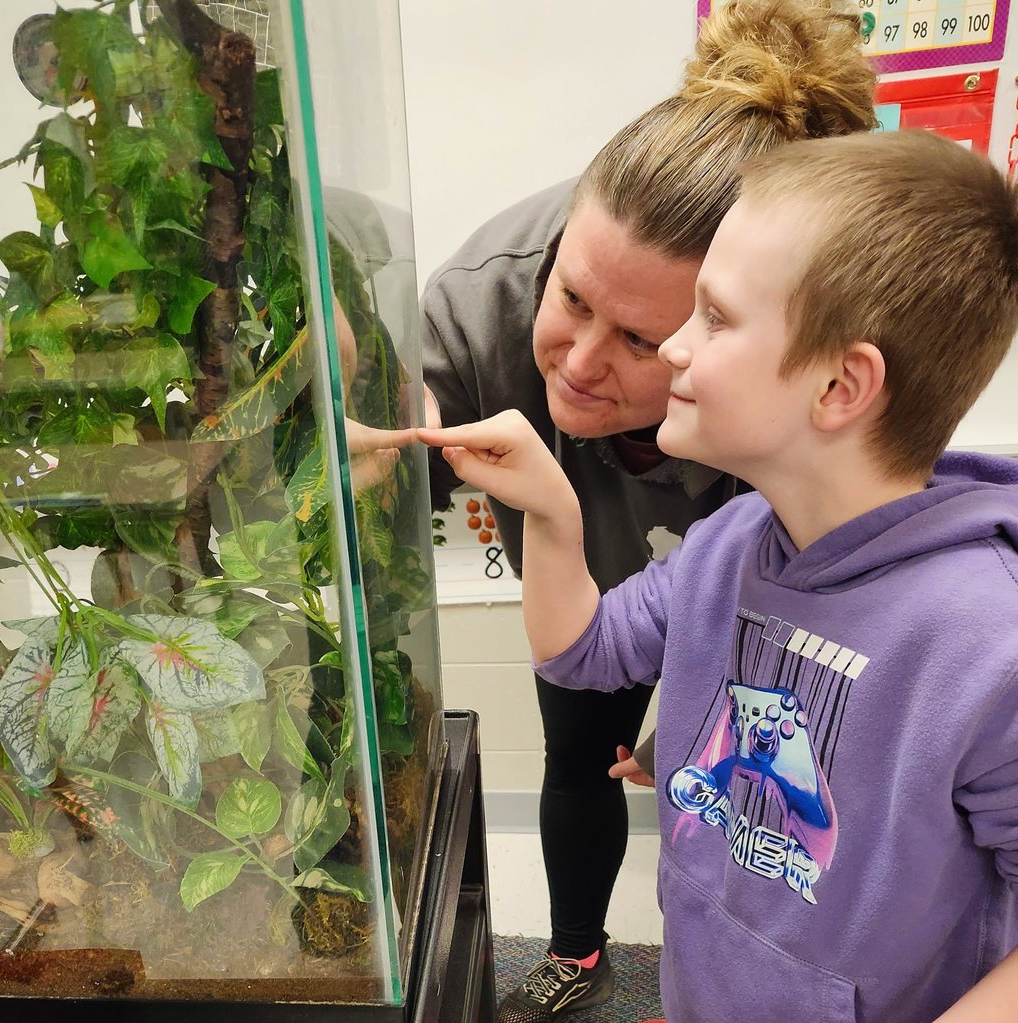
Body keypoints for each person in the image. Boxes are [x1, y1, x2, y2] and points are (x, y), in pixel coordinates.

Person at [417, 128, 1018, 1022]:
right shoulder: (729, 543)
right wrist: (552, 511)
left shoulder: (986, 644)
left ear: (840, 386)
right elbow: (580, 650)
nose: (678, 350)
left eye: (714, 319)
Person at [421, 1, 875, 1017]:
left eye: (643, 341)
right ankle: (583, 952)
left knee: (719, 795)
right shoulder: (493, 288)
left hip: (739, 613)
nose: (579, 368)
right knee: (583, 753)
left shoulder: (802, 442)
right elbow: (574, 647)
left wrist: (688, 727)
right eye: (571, 299)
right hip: (606, 581)